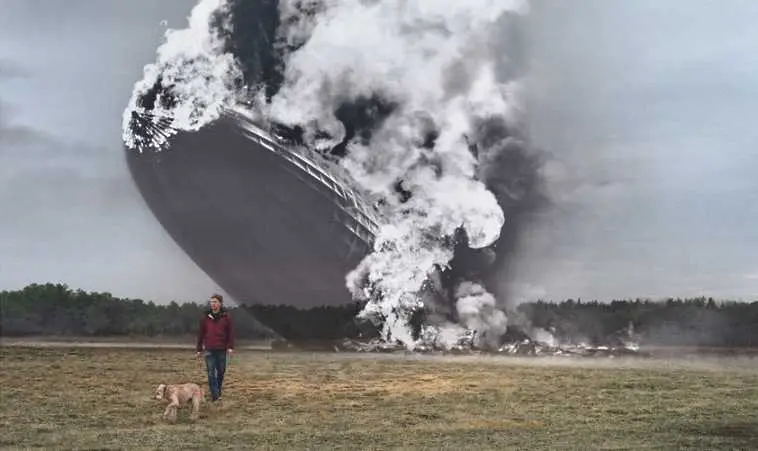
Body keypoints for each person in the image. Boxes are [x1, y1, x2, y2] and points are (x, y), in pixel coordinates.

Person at [196, 293, 235, 402]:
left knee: (221, 372)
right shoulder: (205, 318)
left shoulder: (226, 318)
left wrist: (230, 347)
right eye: (211, 302)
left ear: (220, 303)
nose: (212, 304)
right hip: (209, 349)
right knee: (210, 372)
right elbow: (201, 334)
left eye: (215, 302)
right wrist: (199, 348)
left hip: (222, 349)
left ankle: (218, 391)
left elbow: (230, 333)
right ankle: (215, 396)